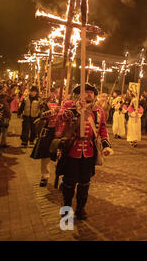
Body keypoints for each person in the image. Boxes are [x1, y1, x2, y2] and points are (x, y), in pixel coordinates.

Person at [55, 83, 113, 220]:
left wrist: (106, 145)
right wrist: (76, 110)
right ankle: (67, 208)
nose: (89, 94)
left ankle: (81, 208)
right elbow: (60, 118)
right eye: (85, 92)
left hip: (89, 152)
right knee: (69, 184)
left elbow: (103, 129)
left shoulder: (98, 111)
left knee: (85, 183)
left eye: (91, 92)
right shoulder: (70, 106)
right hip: (72, 151)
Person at [30, 88, 59, 187]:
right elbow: (40, 115)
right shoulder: (44, 103)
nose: (57, 94)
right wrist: (54, 111)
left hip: (59, 132)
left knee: (61, 156)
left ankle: (61, 177)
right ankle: (45, 176)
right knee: (45, 155)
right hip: (48, 131)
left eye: (60, 92)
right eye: (56, 92)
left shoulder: (65, 103)